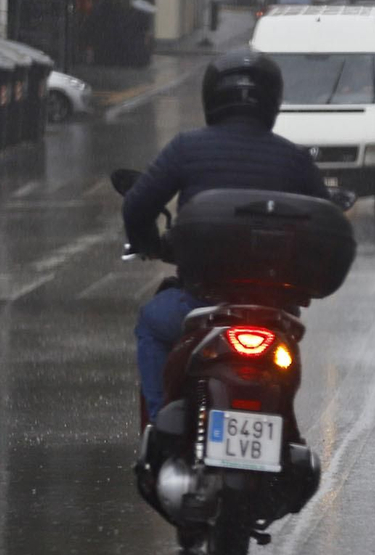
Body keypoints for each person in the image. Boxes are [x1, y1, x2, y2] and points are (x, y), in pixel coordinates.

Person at [122, 51, 329, 422]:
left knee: (153, 322)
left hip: (200, 303)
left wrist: (148, 243)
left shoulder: (186, 148)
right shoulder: (294, 159)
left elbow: (137, 205)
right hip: (274, 313)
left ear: (212, 98)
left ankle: (157, 425)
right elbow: (325, 225)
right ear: (273, 100)